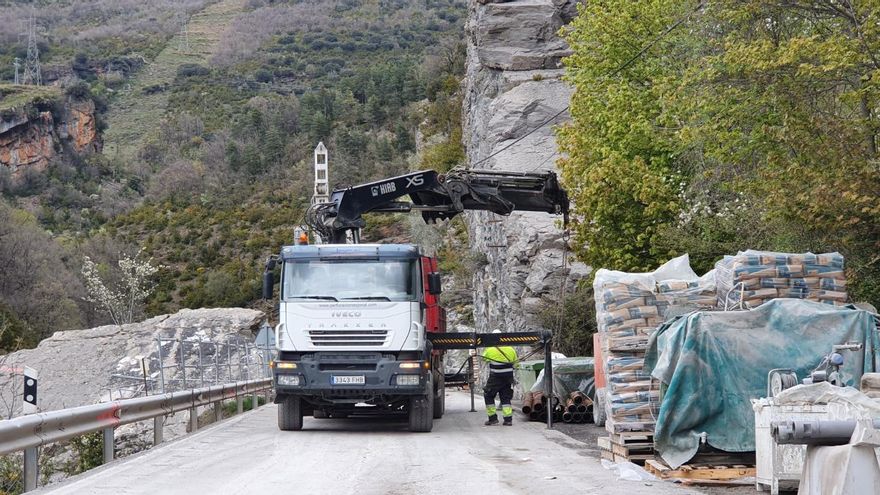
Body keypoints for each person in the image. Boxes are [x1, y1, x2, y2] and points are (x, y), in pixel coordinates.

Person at [482, 329, 518, 426]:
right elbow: (516, 364)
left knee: (488, 395)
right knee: (505, 398)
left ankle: (492, 419)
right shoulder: (511, 349)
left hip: (495, 378)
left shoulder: (490, 350)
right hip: (508, 378)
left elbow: (484, 358)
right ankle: (508, 420)